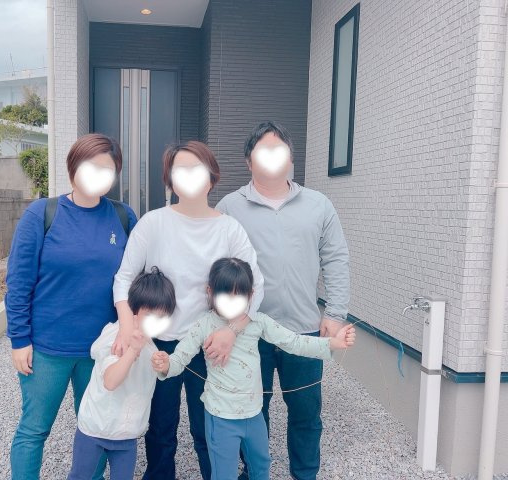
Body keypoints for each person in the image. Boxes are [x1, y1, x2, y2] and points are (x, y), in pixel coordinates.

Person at [112, 141, 265, 479]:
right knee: (160, 428)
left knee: (210, 426)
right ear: (170, 179)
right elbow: (123, 279)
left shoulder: (229, 229)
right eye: (181, 170)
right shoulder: (153, 224)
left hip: (211, 346)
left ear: (212, 176)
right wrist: (127, 326)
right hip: (162, 344)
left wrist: (231, 331)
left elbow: (256, 286)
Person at [216, 121, 351, 480]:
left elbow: (336, 259)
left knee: (306, 412)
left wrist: (335, 313)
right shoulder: (230, 207)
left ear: (291, 158)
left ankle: (304, 474)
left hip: (303, 329)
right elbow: (214, 268)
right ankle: (254, 472)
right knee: (250, 412)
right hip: (248, 332)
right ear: (249, 161)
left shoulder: (318, 205)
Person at [5, 133, 137, 480]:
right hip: (47, 348)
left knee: (96, 428)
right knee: (34, 429)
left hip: (101, 350)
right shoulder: (42, 214)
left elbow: (135, 279)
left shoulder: (123, 217)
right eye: (90, 166)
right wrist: (19, 339)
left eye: (107, 169)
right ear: (73, 168)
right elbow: (18, 282)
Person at [152, 258, 355, 480]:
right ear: (210, 291)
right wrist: (166, 365)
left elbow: (294, 342)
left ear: (251, 295)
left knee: (261, 466)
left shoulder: (258, 322)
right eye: (225, 295)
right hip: (221, 418)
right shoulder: (204, 324)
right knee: (224, 474)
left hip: (254, 415)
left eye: (239, 296)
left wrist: (332, 343)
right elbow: (181, 357)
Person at [68, 267, 176, 480]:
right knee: (80, 476)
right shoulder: (115, 337)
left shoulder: (151, 348)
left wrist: (164, 366)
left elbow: (156, 376)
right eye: (150, 315)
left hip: (127, 434)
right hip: (95, 429)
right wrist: (133, 351)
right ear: (133, 311)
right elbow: (110, 381)